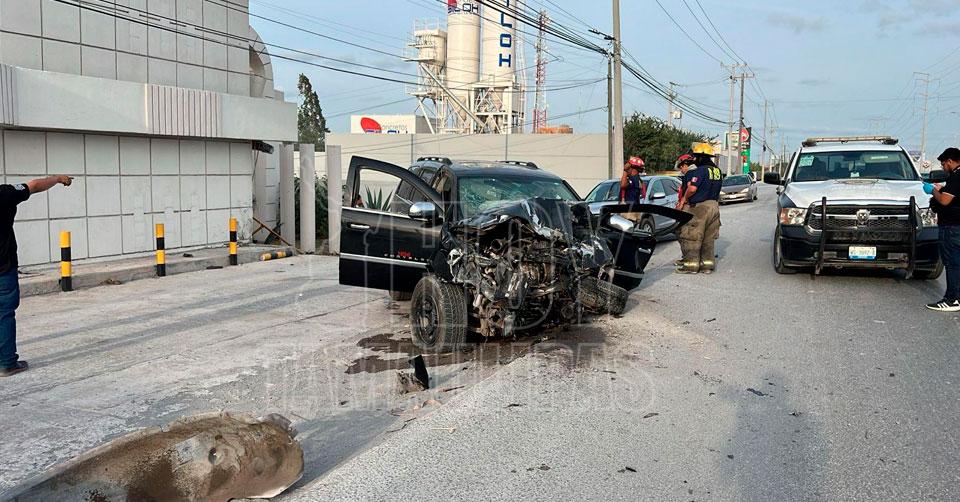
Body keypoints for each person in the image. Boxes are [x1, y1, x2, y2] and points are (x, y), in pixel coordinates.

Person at [0, 175, 74, 377]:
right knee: (4, 314)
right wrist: (58, 178)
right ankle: (6, 363)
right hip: (3, 269)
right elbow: (34, 186)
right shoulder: (4, 193)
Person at [674, 148, 722, 274]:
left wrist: (683, 200)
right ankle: (707, 266)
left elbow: (692, 189)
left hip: (700, 207)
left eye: (696, 157)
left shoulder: (700, 170)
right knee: (708, 238)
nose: (694, 159)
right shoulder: (717, 171)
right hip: (714, 206)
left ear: (701, 157)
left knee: (692, 235)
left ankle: (691, 266)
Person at [927, 147, 960, 312]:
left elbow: (945, 201)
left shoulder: (956, 176)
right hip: (956, 225)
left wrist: (933, 190)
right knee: (957, 262)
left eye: (943, 164)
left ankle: (952, 299)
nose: (943, 167)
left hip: (951, 226)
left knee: (952, 263)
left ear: (950, 161)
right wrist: (942, 189)